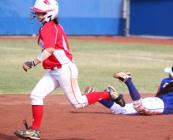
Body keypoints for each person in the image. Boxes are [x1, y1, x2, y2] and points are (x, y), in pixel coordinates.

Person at [14, 0, 125, 139]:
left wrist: (32, 63)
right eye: (37, 11)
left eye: (40, 12)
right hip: (54, 70)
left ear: (50, 13)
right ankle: (34, 131)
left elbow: (49, 49)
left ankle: (108, 94)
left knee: (78, 103)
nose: (37, 14)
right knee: (36, 95)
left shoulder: (49, 27)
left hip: (64, 69)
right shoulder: (50, 26)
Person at [88, 64, 173, 115]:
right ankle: (128, 81)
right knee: (139, 106)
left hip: (154, 101)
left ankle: (96, 95)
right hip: (161, 106)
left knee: (119, 110)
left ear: (172, 74)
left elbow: (159, 96)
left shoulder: (165, 80)